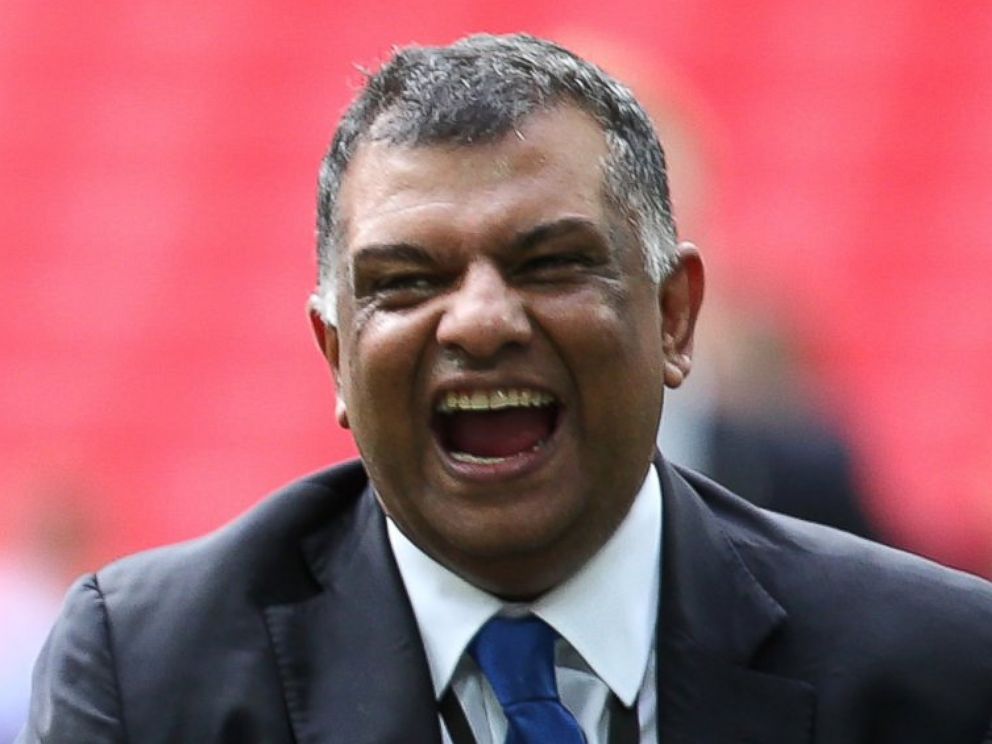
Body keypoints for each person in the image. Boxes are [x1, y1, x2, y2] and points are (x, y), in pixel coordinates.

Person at [19, 33, 992, 744]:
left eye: (550, 263)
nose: (479, 321)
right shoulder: (147, 678)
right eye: (406, 280)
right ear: (336, 357)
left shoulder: (937, 669)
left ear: (672, 317)